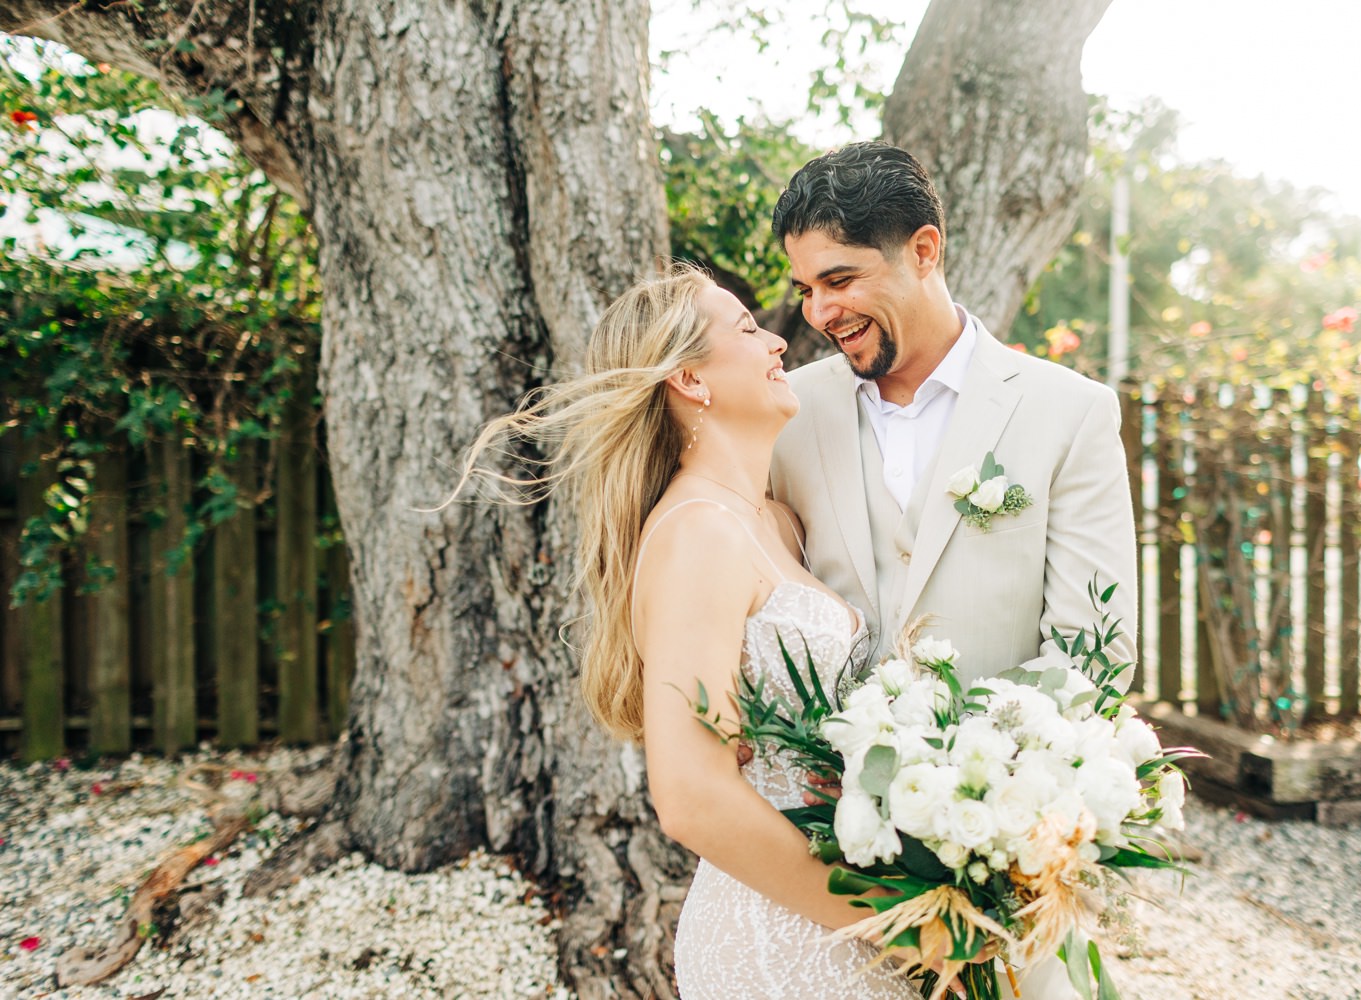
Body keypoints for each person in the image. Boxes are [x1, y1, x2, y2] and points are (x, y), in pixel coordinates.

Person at [448, 266, 921, 998]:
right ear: (691, 382)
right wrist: (897, 919)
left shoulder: (776, 522)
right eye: (744, 328)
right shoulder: (697, 533)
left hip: (846, 917)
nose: (776, 339)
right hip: (783, 938)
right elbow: (691, 795)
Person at [768, 140, 1140, 999]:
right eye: (807, 290)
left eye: (842, 278)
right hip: (826, 862)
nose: (820, 311)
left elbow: (1094, 649)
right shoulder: (791, 411)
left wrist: (966, 801)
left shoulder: (1068, 412)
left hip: (999, 855)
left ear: (925, 250)